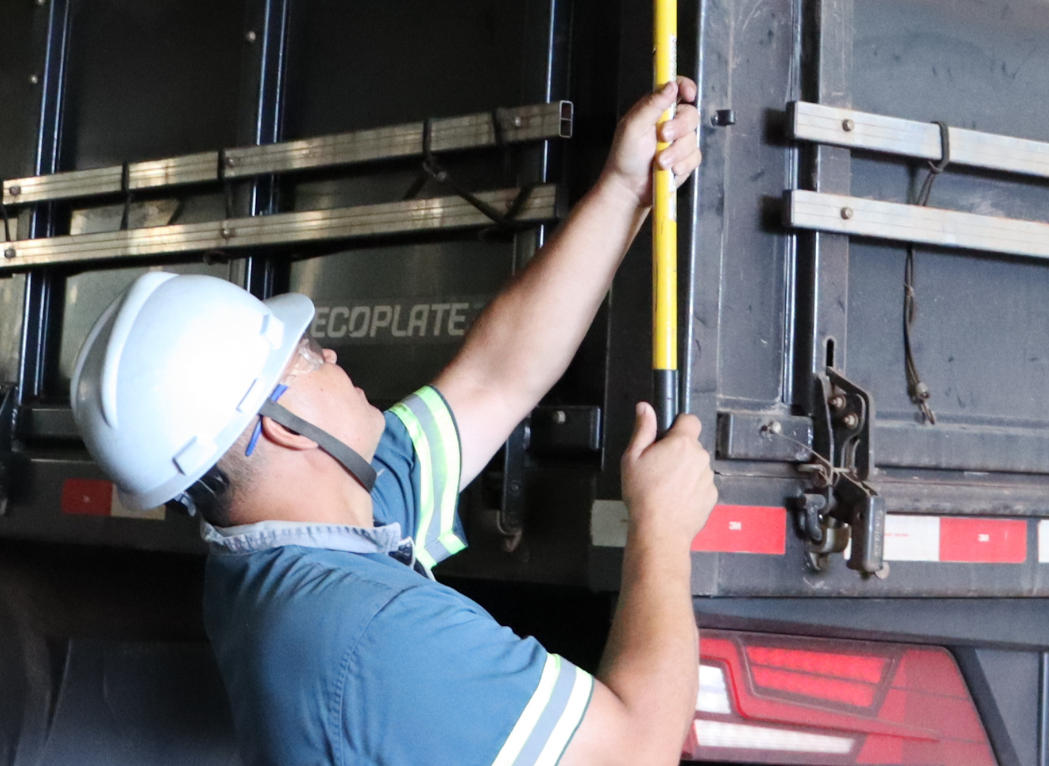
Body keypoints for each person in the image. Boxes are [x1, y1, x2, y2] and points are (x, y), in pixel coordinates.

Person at [70, 79, 713, 766]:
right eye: (305, 355)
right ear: (282, 426)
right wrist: (661, 529)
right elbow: (639, 750)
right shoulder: (368, 633)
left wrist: (624, 188)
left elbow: (497, 378)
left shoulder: (291, 546)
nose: (330, 355)